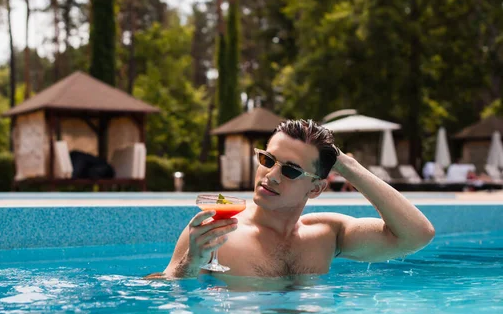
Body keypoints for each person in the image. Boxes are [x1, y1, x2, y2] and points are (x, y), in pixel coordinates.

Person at [157, 119, 435, 279]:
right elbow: (161, 289)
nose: (271, 175)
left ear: (315, 189)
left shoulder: (327, 234)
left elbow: (417, 235)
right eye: (267, 160)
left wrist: (347, 166)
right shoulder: (218, 233)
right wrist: (191, 263)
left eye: (290, 170)